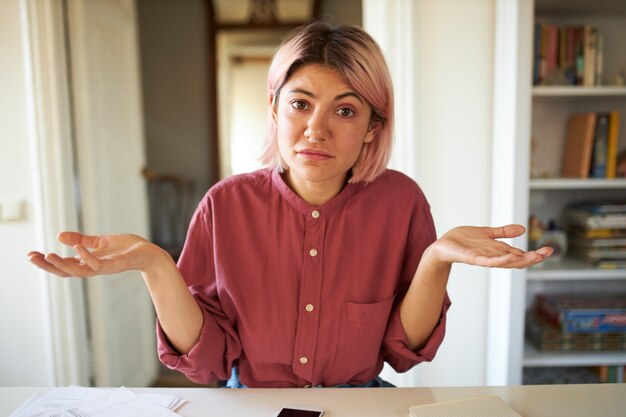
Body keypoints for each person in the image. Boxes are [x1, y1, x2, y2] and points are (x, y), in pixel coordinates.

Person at [28, 21, 552, 388]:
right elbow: (209, 362)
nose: (315, 130)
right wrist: (153, 263)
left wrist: (437, 260)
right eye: (300, 103)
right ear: (274, 108)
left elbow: (401, 351)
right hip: (250, 405)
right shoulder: (224, 205)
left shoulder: (403, 203)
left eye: (345, 111)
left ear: (373, 129)